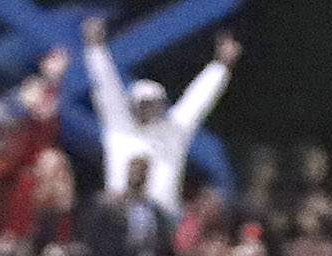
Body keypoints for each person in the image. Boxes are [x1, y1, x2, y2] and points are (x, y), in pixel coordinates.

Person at [81, 16, 237, 204]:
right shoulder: (118, 126)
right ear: (132, 104)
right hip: (119, 215)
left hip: (163, 219)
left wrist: (221, 65)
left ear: (162, 105)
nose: (148, 108)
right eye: (144, 103)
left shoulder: (174, 130)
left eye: (153, 103)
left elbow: (198, 100)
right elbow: (106, 85)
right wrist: (95, 48)